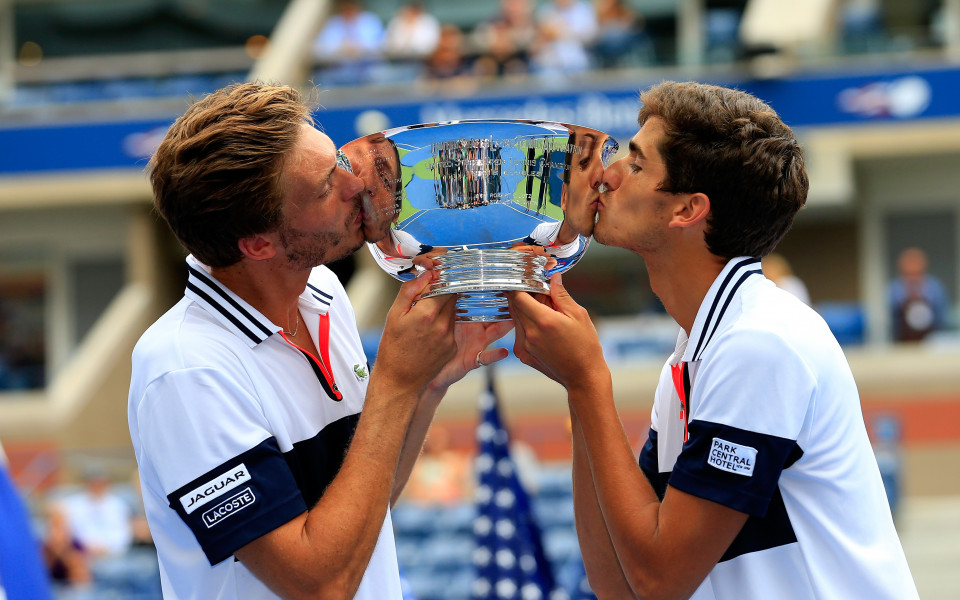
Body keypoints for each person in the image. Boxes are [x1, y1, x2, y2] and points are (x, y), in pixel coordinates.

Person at [508, 81, 919, 600]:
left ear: (687, 210)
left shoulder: (760, 343)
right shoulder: (697, 352)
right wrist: (576, 385)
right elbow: (618, 583)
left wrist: (588, 380)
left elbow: (659, 581)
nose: (608, 176)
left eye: (635, 165)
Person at [129, 82, 511, 600]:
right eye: (323, 188)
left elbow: (364, 506)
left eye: (338, 162)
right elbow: (317, 583)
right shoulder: (186, 369)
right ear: (258, 243)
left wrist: (426, 383)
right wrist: (395, 382)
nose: (355, 185)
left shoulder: (324, 291)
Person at [887, 246, 948, 342]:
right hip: (902, 342)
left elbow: (941, 318)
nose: (913, 278)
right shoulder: (894, 289)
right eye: (908, 274)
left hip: (931, 341)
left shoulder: (935, 288)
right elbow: (891, 321)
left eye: (916, 273)